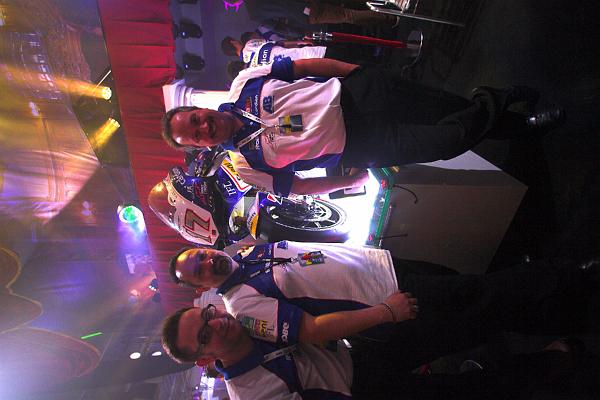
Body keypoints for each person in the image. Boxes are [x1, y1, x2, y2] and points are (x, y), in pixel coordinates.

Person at [161, 57, 564, 197]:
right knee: (448, 140)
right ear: (200, 146)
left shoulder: (246, 82)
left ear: (198, 108)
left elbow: (303, 66)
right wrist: (346, 182)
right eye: (195, 135)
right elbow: (296, 187)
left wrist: (354, 71)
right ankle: (499, 98)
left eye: (195, 119)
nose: (203, 127)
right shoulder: (246, 166)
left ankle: (524, 126)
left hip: (360, 94)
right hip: (362, 144)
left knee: (449, 108)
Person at [168, 241, 597, 372]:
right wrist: (385, 313)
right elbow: (312, 329)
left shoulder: (247, 254)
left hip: (386, 268)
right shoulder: (242, 306)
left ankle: (568, 305)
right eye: (199, 271)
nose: (207, 262)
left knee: (484, 298)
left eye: (200, 255)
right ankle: (572, 277)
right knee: (486, 296)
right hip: (391, 298)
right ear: (202, 288)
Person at [162, 303, 592, 400]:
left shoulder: (247, 316)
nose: (215, 323)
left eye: (207, 315)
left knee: (453, 328)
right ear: (205, 360)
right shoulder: (250, 393)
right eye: (203, 336)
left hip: (359, 350)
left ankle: (555, 312)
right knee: (463, 391)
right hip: (365, 391)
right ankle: (553, 363)